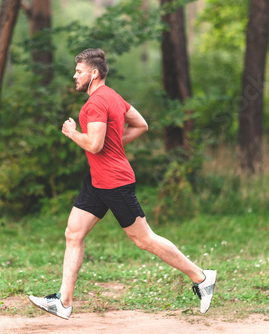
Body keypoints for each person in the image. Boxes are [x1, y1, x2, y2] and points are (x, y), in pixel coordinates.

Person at [28, 48, 216, 320]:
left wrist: (72, 133)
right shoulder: (113, 96)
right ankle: (63, 302)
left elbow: (94, 144)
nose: (74, 75)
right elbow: (141, 125)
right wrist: (112, 146)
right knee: (73, 233)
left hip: (114, 183)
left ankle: (201, 277)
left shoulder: (94, 104)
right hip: (97, 181)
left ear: (94, 73)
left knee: (143, 239)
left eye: (79, 71)